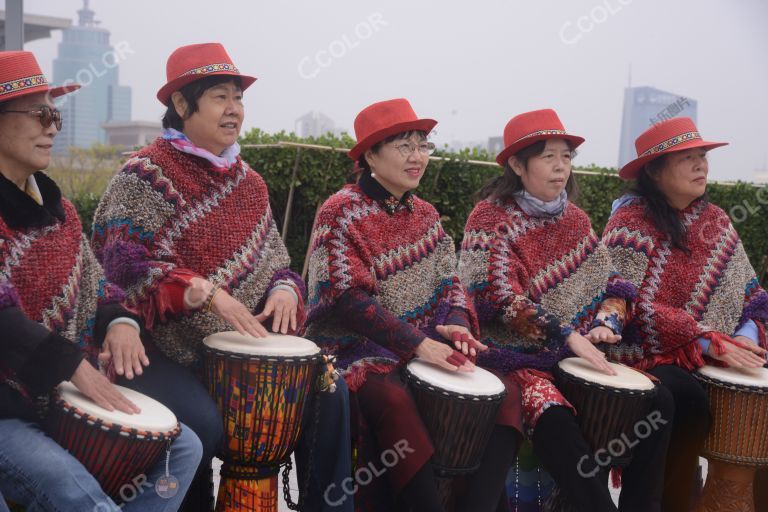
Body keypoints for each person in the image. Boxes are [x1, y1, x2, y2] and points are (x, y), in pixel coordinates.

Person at [91, 42, 350, 511]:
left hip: (239, 348)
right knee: (203, 427)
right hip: (154, 348)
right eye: (220, 97)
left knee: (331, 388)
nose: (234, 110)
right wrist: (204, 292)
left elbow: (277, 261)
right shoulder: (142, 175)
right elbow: (122, 268)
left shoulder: (249, 181)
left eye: (239, 98)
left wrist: (286, 288)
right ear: (182, 104)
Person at [0, 50, 201, 512]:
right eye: (39, 113)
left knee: (182, 449)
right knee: (75, 492)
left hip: (58, 402)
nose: (52, 126)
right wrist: (70, 364)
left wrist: (119, 322)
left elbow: (98, 288)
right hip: (7, 410)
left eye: (55, 113)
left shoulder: (62, 213)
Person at [305, 98, 522, 512]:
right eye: (404, 146)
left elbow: (451, 285)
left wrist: (457, 324)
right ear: (370, 154)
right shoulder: (340, 211)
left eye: (423, 146)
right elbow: (347, 298)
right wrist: (418, 346)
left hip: (421, 346)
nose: (417, 157)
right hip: (351, 350)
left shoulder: (427, 215)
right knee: (395, 399)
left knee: (506, 396)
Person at [459, 109, 673, 512]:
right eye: (548, 157)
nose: (561, 167)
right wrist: (566, 334)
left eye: (567, 156)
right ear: (517, 165)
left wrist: (606, 323)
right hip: (513, 360)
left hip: (573, 354)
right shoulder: (490, 216)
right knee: (553, 416)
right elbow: (493, 294)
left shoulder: (574, 219)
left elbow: (613, 284)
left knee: (659, 401)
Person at [602, 116, 768, 511]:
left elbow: (751, 296)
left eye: (703, 157)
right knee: (683, 396)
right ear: (655, 171)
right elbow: (624, 303)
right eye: (688, 159)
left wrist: (745, 337)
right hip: (644, 353)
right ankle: (669, 501)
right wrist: (704, 339)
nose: (701, 166)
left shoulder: (716, 221)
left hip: (713, 352)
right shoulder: (630, 222)